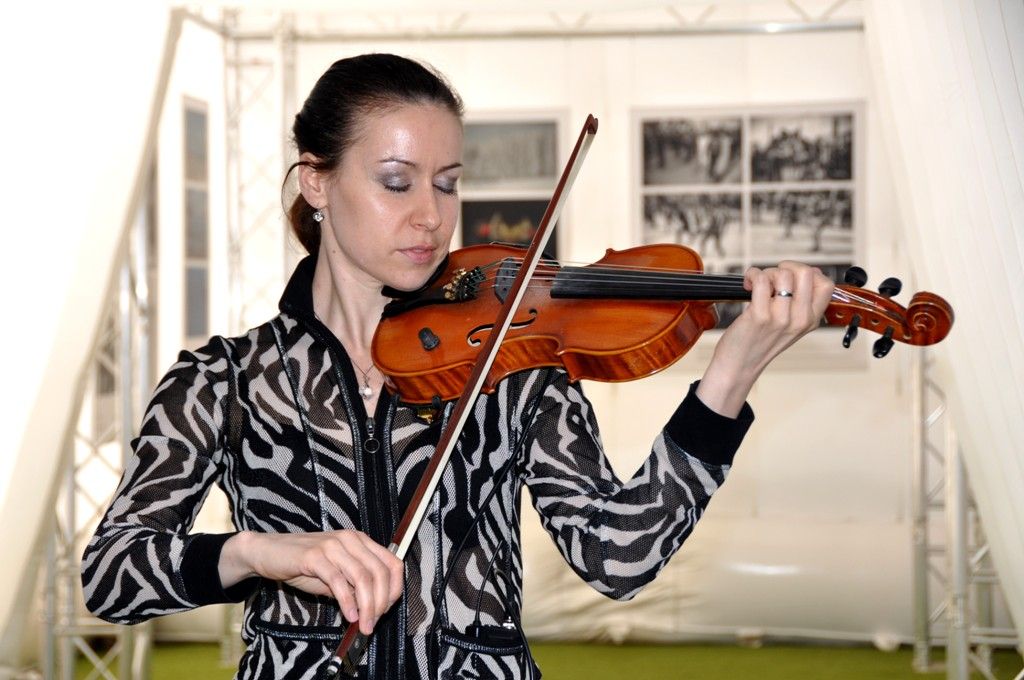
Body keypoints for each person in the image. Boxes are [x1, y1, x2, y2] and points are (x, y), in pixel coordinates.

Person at [81, 53, 834, 679]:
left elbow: (618, 556)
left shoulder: (510, 364)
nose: (432, 217)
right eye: (397, 182)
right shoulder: (227, 380)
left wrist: (727, 381)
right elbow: (111, 573)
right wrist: (257, 552)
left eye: (447, 183)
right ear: (316, 182)